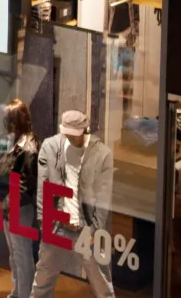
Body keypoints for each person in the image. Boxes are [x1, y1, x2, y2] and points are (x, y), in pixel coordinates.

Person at [33, 110, 115, 298]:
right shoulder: (50, 147)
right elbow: (43, 188)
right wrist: (44, 222)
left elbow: (104, 197)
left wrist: (95, 230)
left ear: (84, 130)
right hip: (57, 226)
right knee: (42, 282)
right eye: (66, 132)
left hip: (85, 230)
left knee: (102, 286)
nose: (68, 137)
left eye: (73, 134)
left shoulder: (102, 154)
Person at [0, 99, 38, 298]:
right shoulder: (14, 141)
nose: (6, 123)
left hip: (19, 209)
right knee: (14, 254)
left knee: (22, 256)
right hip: (9, 206)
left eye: (10, 119)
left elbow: (26, 185)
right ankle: (18, 292)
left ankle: (25, 294)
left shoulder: (28, 147)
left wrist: (8, 205)